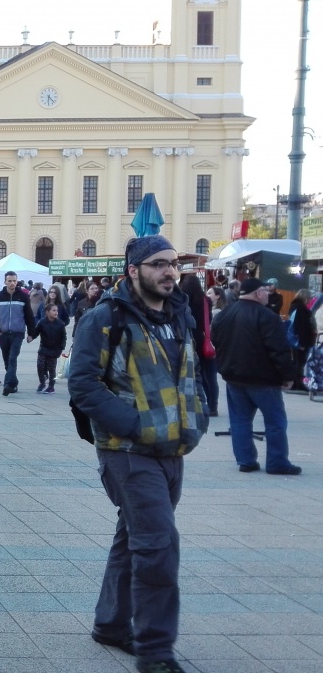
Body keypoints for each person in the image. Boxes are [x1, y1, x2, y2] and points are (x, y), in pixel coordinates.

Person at [68, 235, 208, 673]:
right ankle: (156, 653)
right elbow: (83, 384)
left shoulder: (178, 314)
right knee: (159, 546)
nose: (170, 271)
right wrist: (134, 425)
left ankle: (111, 624)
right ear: (134, 270)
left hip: (173, 448)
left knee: (134, 538)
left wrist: (197, 418)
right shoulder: (105, 317)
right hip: (128, 451)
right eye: (158, 264)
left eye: (173, 264)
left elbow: (193, 374)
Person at [212, 278, 301, 475]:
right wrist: (288, 375)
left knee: (240, 420)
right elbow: (278, 349)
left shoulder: (224, 314)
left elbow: (216, 341)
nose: (268, 294)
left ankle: (246, 460)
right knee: (275, 421)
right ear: (258, 293)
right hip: (263, 379)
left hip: (234, 377)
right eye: (266, 291)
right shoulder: (267, 316)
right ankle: (277, 461)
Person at [0, 271, 36, 395]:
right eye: (9, 281)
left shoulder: (23, 296)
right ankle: (14, 382)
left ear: (17, 281)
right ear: (5, 282)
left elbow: (29, 315)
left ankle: (8, 385)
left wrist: (31, 333)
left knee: (12, 358)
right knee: (6, 359)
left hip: (17, 333)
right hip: (3, 333)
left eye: (14, 281)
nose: (12, 283)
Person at [180, 273, 218, 416]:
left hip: (188, 339)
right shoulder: (205, 300)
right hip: (204, 339)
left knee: (193, 374)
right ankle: (213, 406)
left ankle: (195, 404)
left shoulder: (182, 300)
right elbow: (208, 321)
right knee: (210, 376)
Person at [28, 303, 66, 394]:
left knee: (51, 369)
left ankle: (51, 386)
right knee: (40, 366)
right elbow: (36, 332)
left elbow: (63, 337)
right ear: (47, 312)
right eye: (53, 310)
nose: (56, 312)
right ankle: (42, 382)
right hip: (43, 348)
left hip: (54, 350)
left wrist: (61, 347)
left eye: (56, 310)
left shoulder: (60, 324)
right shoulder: (42, 322)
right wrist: (31, 337)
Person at [288, 289, 318, 391]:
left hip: (298, 340)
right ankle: (297, 382)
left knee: (298, 362)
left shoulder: (296, 307)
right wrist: (302, 342)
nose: (310, 300)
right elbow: (301, 326)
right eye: (309, 298)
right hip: (301, 340)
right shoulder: (300, 309)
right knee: (299, 362)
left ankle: (296, 382)